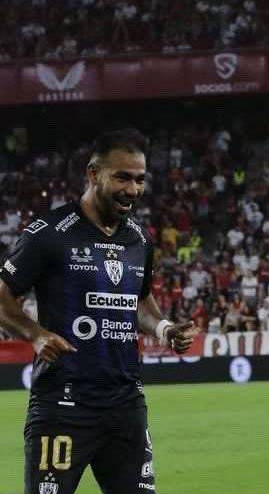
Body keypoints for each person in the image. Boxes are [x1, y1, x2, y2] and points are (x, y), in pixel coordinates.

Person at [0, 128, 198, 494]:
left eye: (139, 179)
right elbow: (2, 296)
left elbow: (139, 302)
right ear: (93, 174)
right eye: (122, 177)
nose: (133, 189)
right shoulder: (50, 233)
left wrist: (164, 329)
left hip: (126, 404)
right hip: (63, 404)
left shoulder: (139, 240)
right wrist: (36, 334)